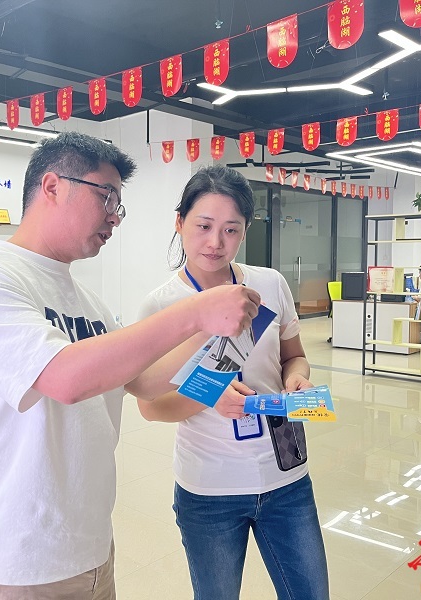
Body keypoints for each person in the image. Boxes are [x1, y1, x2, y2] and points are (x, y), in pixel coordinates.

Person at [0, 132, 260, 600]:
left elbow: (143, 382)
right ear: (52, 186)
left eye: (118, 204)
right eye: (106, 196)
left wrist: (211, 329)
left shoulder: (88, 301)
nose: (114, 216)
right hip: (16, 560)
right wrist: (195, 313)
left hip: (88, 550)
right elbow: (64, 378)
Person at [136, 165, 330, 600]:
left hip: (286, 476)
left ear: (244, 232)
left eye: (231, 230)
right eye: (203, 226)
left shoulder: (269, 285)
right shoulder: (161, 306)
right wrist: (209, 398)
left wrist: (297, 379)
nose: (215, 242)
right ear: (179, 222)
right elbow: (150, 406)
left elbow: (294, 356)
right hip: (210, 488)